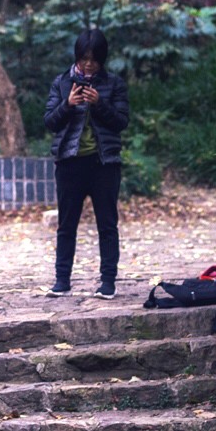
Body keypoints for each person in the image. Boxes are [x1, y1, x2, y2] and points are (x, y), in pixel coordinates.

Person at [41, 29, 130, 299]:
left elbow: (121, 122)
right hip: (70, 163)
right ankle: (62, 280)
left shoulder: (114, 84)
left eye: (94, 58)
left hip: (105, 164)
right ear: (77, 57)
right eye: (84, 58)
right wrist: (67, 105)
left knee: (107, 224)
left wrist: (99, 103)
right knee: (67, 224)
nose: (88, 63)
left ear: (102, 58)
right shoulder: (61, 82)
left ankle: (108, 282)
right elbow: (49, 122)